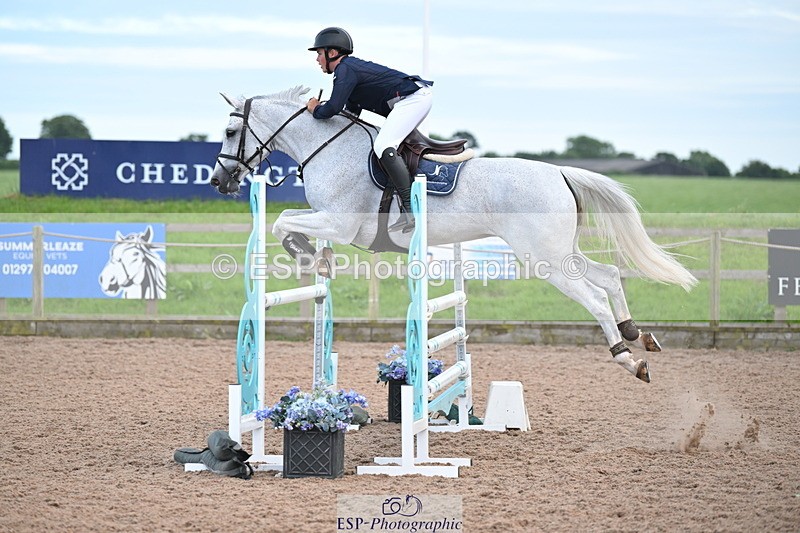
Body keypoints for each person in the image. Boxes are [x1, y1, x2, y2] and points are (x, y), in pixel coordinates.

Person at [306, 27, 433, 233]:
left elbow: (332, 109)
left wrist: (315, 108)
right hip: (410, 99)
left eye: (319, 53)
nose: (317, 59)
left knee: (383, 144)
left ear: (332, 53)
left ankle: (412, 208)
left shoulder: (344, 70)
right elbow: (349, 114)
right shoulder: (347, 72)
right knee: (384, 145)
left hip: (414, 98)